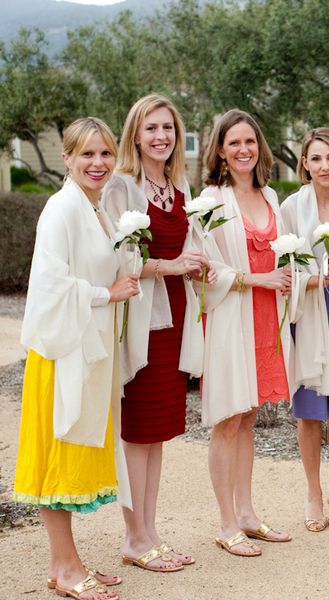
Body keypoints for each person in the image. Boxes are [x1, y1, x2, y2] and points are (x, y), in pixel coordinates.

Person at [13, 117, 140, 599]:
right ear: (66, 158)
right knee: (58, 456)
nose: (98, 163)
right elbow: (50, 285)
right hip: (61, 354)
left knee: (73, 453)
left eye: (105, 153)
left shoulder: (97, 207)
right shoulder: (61, 208)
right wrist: (107, 294)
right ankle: (66, 567)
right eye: (87, 154)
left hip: (87, 350)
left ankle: (63, 563)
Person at [103, 94, 208, 571]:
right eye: (151, 128)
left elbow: (185, 251)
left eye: (168, 128)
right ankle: (133, 537)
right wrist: (171, 265)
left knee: (158, 432)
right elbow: (114, 259)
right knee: (137, 430)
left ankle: (150, 532)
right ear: (135, 135)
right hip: (140, 324)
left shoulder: (179, 187)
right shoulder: (121, 187)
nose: (161, 136)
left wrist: (197, 265)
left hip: (176, 319)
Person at [196, 109, 293, 556]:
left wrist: (295, 276)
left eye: (250, 141)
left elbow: (284, 257)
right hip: (231, 319)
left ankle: (248, 514)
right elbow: (204, 267)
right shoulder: (210, 200)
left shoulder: (270, 196)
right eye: (234, 142)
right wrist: (257, 280)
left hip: (267, 319)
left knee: (249, 416)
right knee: (228, 418)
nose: (243, 149)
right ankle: (226, 523)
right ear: (220, 150)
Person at [279, 128, 329, 532]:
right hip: (308, 312)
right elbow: (282, 266)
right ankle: (313, 492)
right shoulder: (292, 207)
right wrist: (312, 279)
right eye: (316, 158)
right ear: (305, 164)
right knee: (310, 412)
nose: (325, 166)